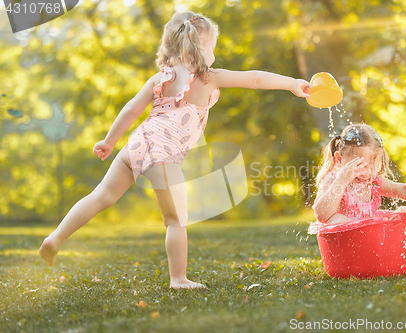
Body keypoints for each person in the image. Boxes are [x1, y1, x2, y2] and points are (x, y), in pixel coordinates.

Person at [39, 11, 311, 289]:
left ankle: (56, 238)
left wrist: (109, 141)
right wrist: (292, 84)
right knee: (176, 220)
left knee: (101, 196)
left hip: (137, 143)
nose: (214, 54)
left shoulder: (160, 78)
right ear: (201, 48)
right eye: (213, 47)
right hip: (163, 154)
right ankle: (178, 279)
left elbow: (132, 109)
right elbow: (254, 79)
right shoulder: (209, 78)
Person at [312, 123, 406, 225]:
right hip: (343, 245)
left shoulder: (374, 183)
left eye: (373, 168)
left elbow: (405, 192)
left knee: (405, 211)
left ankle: (395, 248)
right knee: (337, 219)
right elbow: (322, 215)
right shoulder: (333, 180)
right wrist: (342, 180)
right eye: (359, 166)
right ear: (339, 159)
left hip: (370, 241)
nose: (366, 173)